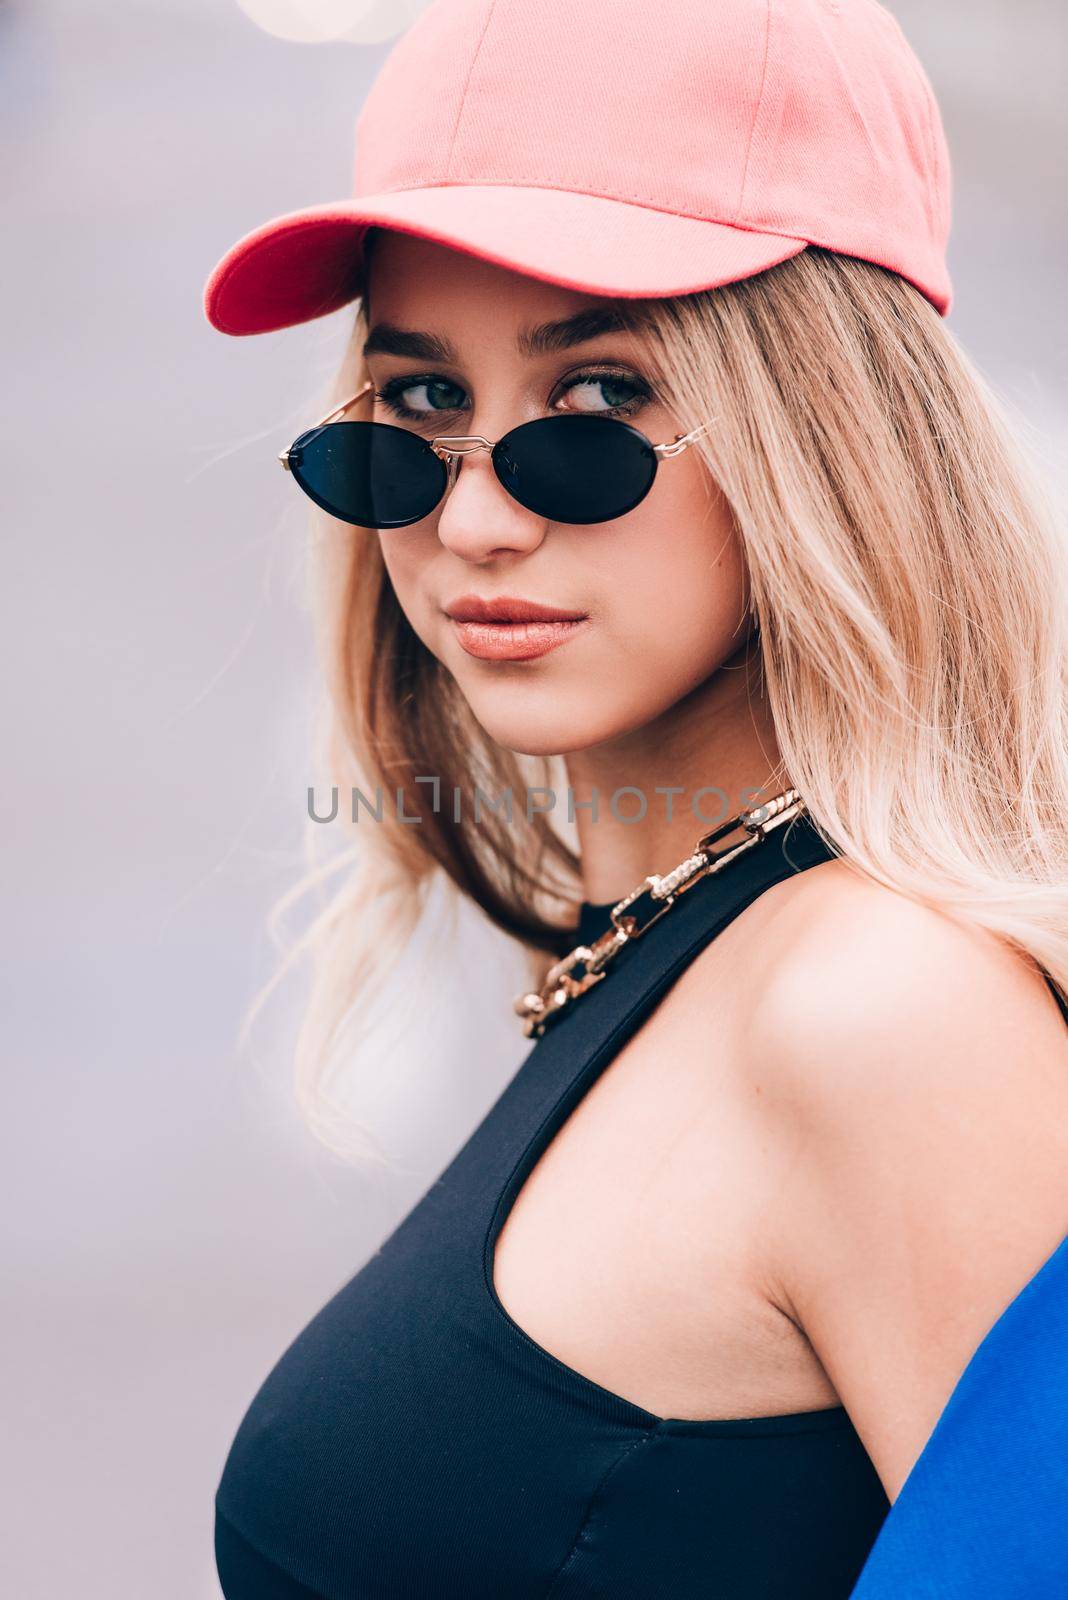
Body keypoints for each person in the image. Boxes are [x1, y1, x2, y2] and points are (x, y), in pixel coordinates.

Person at [202, 1, 1068, 1595]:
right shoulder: (665, 939)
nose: (471, 522)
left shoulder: (885, 1015)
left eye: (595, 406)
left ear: (828, 435)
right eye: (418, 408)